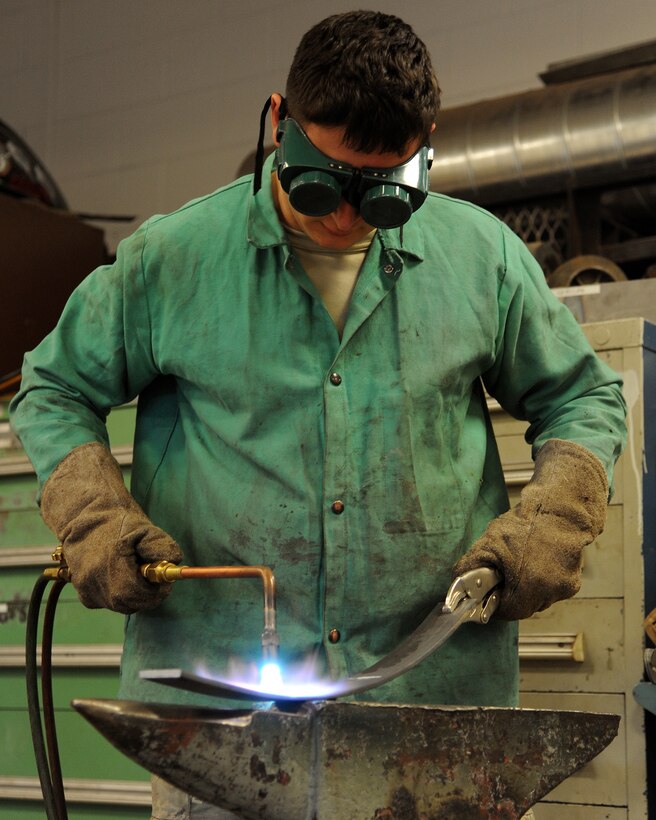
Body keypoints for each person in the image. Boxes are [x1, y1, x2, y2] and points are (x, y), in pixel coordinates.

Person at [10, 10, 626, 819]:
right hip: (221, 728)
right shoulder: (173, 260)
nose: (342, 217)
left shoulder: (484, 259)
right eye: (319, 181)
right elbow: (52, 388)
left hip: (429, 720)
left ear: (425, 148)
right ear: (279, 122)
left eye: (381, 194)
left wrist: (556, 517)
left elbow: (582, 395)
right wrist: (92, 515)